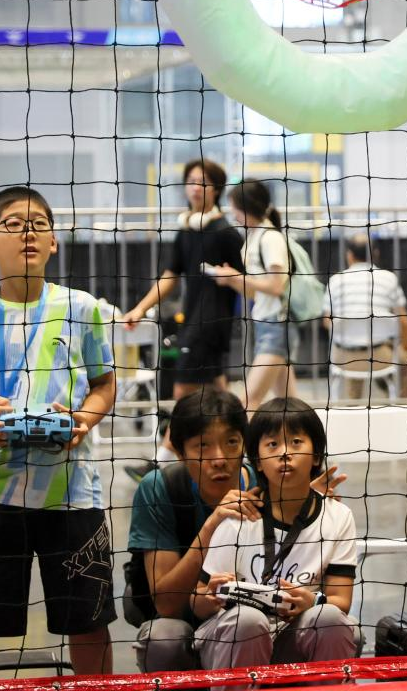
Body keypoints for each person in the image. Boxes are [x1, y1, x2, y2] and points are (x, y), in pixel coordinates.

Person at [0, 186, 117, 679]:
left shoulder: (82, 308)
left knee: (88, 620)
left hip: (72, 493)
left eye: (39, 224)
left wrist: (85, 419)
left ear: (54, 242)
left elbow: (105, 384)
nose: (29, 233)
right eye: (14, 225)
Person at [193, 397, 358, 672]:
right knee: (248, 620)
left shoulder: (338, 517)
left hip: (294, 636)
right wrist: (210, 596)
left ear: (317, 456)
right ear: (257, 462)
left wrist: (312, 601)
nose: (284, 453)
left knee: (328, 616)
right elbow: (197, 604)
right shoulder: (238, 518)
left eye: (296, 442)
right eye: (272, 444)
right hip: (233, 639)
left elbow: (341, 600)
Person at [123, 159, 244, 479]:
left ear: (216, 189)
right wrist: (140, 308)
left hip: (210, 325)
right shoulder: (186, 231)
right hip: (192, 321)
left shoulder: (226, 233)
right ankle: (237, 452)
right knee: (218, 394)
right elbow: (170, 275)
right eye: (190, 181)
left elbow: (247, 279)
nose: (195, 188)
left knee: (183, 395)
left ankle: (161, 462)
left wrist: (233, 279)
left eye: (202, 182)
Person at [127, 388, 261, 671]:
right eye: (203, 446)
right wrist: (212, 525)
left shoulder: (267, 484)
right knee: (162, 639)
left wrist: (312, 506)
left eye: (232, 442)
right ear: (180, 452)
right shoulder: (159, 488)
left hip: (259, 619)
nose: (219, 458)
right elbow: (167, 605)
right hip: (186, 620)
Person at [212, 180, 299, 414]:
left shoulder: (270, 238)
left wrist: (235, 277)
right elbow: (256, 292)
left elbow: (276, 286)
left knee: (248, 402)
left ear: (245, 207)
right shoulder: (254, 237)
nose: (232, 214)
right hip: (266, 324)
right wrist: (231, 280)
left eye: (233, 207)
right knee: (289, 406)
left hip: (277, 326)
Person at [323, 234, 407, 398]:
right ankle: (402, 402)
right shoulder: (389, 279)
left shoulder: (335, 281)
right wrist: (405, 348)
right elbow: (404, 322)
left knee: (349, 345)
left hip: (344, 360)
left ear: (349, 255)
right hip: (381, 359)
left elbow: (327, 322)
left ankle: (354, 405)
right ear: (376, 254)